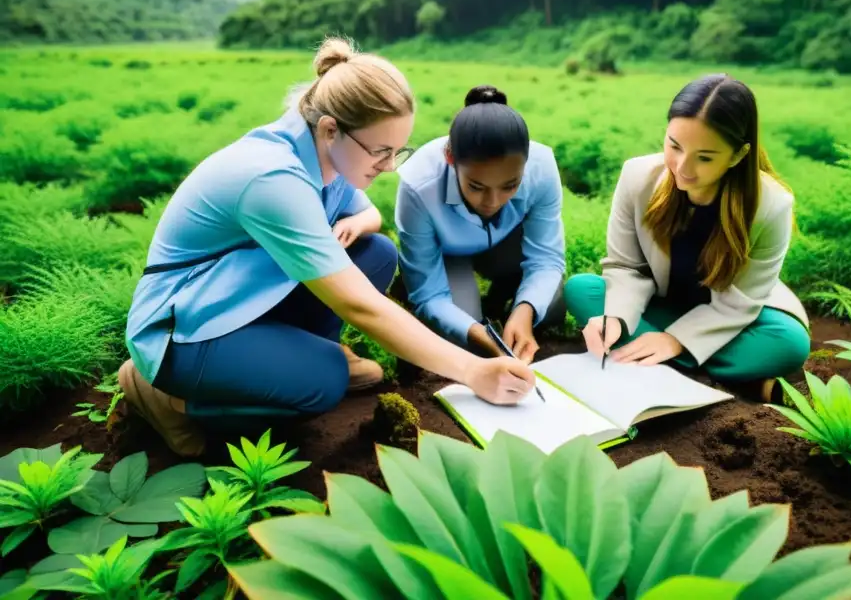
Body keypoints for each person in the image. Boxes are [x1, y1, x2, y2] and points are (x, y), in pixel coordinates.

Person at [119, 38, 537, 457]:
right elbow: (362, 307)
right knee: (323, 384)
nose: (390, 166)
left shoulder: (327, 154)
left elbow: (365, 224)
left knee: (375, 254)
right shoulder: (272, 180)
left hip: (237, 290)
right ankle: (171, 399)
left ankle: (304, 353)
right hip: (184, 328)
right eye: (381, 151)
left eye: (398, 150)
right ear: (330, 128)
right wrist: (472, 370)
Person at [564, 74, 810, 400]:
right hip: (660, 306)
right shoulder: (638, 177)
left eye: (705, 157)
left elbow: (742, 301)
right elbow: (625, 267)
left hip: (727, 319)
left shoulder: (771, 205)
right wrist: (618, 320)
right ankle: (732, 380)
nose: (682, 167)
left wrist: (676, 340)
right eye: (674, 146)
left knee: (789, 343)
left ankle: (659, 363)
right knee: (582, 290)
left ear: (737, 156)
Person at [393, 86, 566, 364]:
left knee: (553, 305)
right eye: (476, 186)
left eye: (511, 185)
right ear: (451, 158)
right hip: (449, 255)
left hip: (505, 247)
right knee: (458, 332)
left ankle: (505, 302)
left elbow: (546, 259)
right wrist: (475, 332)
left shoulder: (541, 166)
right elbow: (429, 294)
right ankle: (410, 284)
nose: (492, 201)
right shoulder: (418, 184)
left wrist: (525, 312)